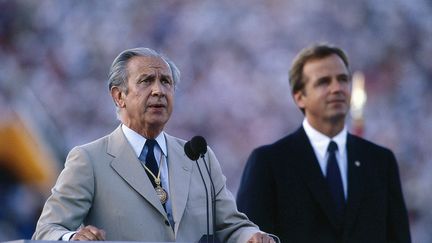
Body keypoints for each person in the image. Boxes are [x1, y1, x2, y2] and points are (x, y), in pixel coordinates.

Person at [32, 47, 275, 243]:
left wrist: (251, 237)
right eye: (146, 81)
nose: (159, 90)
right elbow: (47, 231)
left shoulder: (199, 157)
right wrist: (73, 237)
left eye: (166, 82)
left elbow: (231, 226)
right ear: (119, 96)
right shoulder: (89, 160)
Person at [236, 44, 411, 243]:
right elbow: (250, 237)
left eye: (343, 79)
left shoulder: (380, 161)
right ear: (300, 97)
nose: (336, 88)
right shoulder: (270, 162)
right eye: (323, 82)